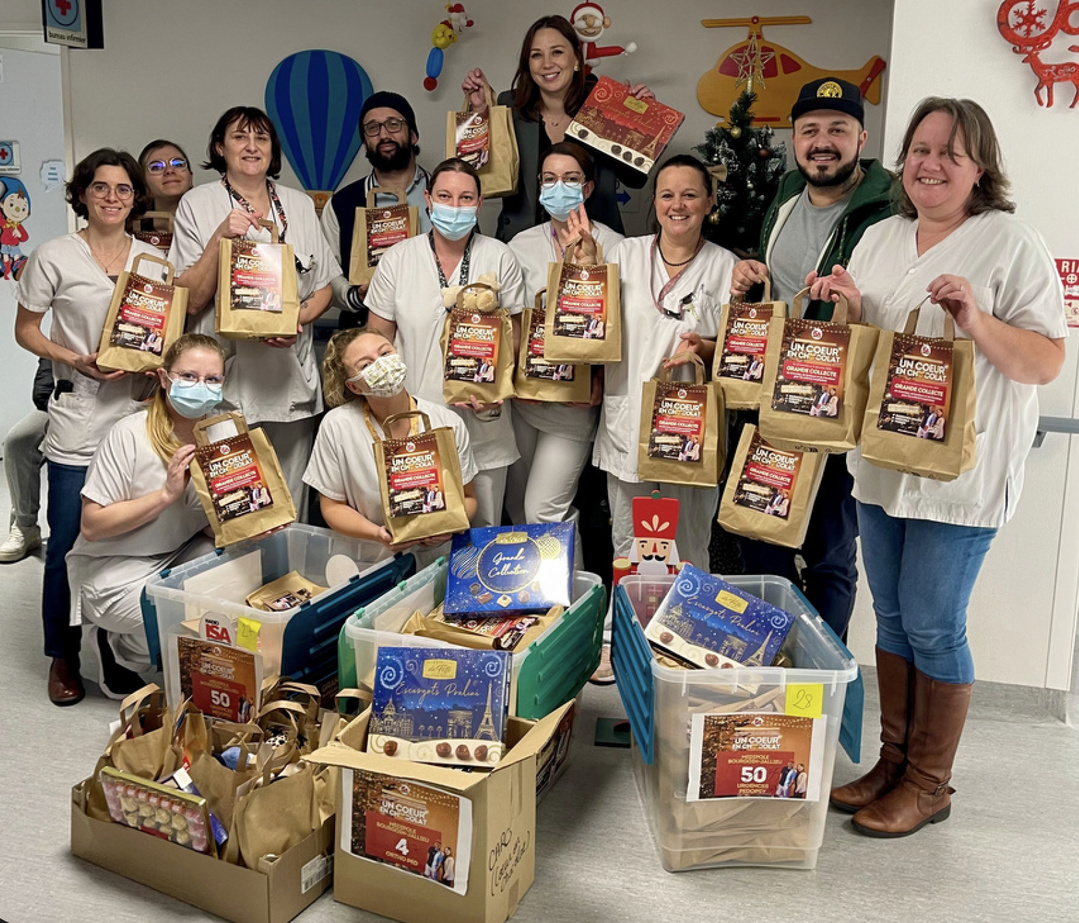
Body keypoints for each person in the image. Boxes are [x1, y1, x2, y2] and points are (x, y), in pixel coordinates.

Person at [812, 98, 1066, 837]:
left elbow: (1046, 362)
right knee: (891, 617)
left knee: (932, 621)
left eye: (950, 154)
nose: (929, 165)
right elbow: (870, 348)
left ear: (979, 168)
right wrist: (850, 307)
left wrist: (975, 321)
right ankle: (893, 763)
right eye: (920, 150)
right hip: (883, 462)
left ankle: (929, 783)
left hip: (961, 473)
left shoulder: (1010, 242)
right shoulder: (880, 238)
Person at [728, 77, 894, 642]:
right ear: (795, 139)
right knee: (760, 535)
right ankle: (772, 663)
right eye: (810, 131)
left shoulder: (887, 209)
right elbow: (781, 286)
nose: (822, 142)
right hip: (771, 397)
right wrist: (752, 277)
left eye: (837, 130)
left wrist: (856, 305)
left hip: (833, 402)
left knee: (828, 551)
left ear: (861, 139)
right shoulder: (787, 194)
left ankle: (822, 673)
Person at [576, 155, 735, 681]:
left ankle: (690, 642)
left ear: (709, 202)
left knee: (689, 543)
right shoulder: (625, 254)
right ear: (655, 203)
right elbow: (592, 322)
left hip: (690, 430)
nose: (677, 205)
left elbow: (744, 353)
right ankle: (620, 642)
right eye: (667, 194)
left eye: (689, 194)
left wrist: (704, 348)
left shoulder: (727, 267)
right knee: (630, 544)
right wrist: (585, 265)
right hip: (628, 423)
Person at [14, 148, 160, 705]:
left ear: (134, 198)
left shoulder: (153, 260)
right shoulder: (54, 255)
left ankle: (113, 651)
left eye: (123, 189)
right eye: (100, 187)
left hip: (134, 414)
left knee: (126, 541)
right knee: (67, 542)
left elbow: (161, 330)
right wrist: (70, 358)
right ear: (82, 193)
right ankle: (63, 655)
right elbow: (27, 330)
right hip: (79, 413)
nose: (112, 198)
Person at [170, 106, 339, 516]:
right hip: (225, 386)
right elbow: (190, 299)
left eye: (261, 138)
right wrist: (220, 236)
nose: (251, 146)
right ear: (219, 147)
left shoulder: (299, 205)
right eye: (239, 137)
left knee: (289, 507)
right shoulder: (198, 202)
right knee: (235, 509)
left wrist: (296, 319)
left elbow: (324, 288)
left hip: (290, 382)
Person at [365, 158, 524, 528]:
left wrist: (495, 387)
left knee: (482, 533)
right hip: (415, 422)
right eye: (445, 196)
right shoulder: (399, 258)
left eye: (466, 198)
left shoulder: (499, 256)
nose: (455, 206)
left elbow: (515, 338)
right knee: (421, 531)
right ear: (428, 200)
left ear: (479, 204)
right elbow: (377, 341)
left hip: (483, 421)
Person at [66, 334, 225, 698]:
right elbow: (92, 526)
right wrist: (166, 495)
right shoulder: (129, 434)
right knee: (181, 613)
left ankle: (147, 649)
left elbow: (205, 523)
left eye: (212, 379)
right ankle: (121, 648)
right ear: (164, 378)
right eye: (188, 376)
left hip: (175, 551)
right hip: (114, 566)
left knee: (235, 582)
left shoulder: (220, 434)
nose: (200, 387)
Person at [505, 141, 622, 526]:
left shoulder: (617, 247)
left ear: (588, 188)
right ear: (539, 187)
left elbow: (620, 325)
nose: (559, 187)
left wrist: (599, 379)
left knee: (544, 510)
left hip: (576, 400)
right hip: (525, 398)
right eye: (550, 179)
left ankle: (567, 572)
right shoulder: (520, 246)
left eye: (570, 179)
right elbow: (510, 320)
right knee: (518, 507)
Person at [461, 14, 650, 242]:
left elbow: (635, 179)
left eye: (557, 52)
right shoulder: (509, 105)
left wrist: (640, 124)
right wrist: (479, 113)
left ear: (577, 58)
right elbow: (476, 176)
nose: (547, 63)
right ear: (527, 64)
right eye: (536, 55)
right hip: (521, 244)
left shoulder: (605, 106)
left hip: (595, 243)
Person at [303, 327, 478, 565]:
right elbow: (332, 506)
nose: (382, 365)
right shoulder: (337, 426)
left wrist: (449, 526)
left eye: (385, 353)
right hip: (371, 557)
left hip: (436, 557)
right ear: (354, 386)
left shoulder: (446, 421)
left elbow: (468, 498)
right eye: (366, 365)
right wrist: (378, 534)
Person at [321, 91, 432, 323]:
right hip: (364, 331)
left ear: (413, 135)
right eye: (372, 128)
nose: (383, 134)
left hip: (435, 328)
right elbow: (327, 273)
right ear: (365, 143)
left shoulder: (446, 194)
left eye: (393, 124)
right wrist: (355, 296)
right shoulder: (341, 205)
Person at [0, 360, 52, 563]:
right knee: (18, 442)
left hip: (116, 407)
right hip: (60, 406)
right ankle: (25, 526)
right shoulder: (62, 340)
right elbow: (44, 384)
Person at [138, 139, 194, 215]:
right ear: (143, 183)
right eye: (156, 167)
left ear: (190, 177)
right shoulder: (128, 222)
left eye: (178, 164)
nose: (169, 170)